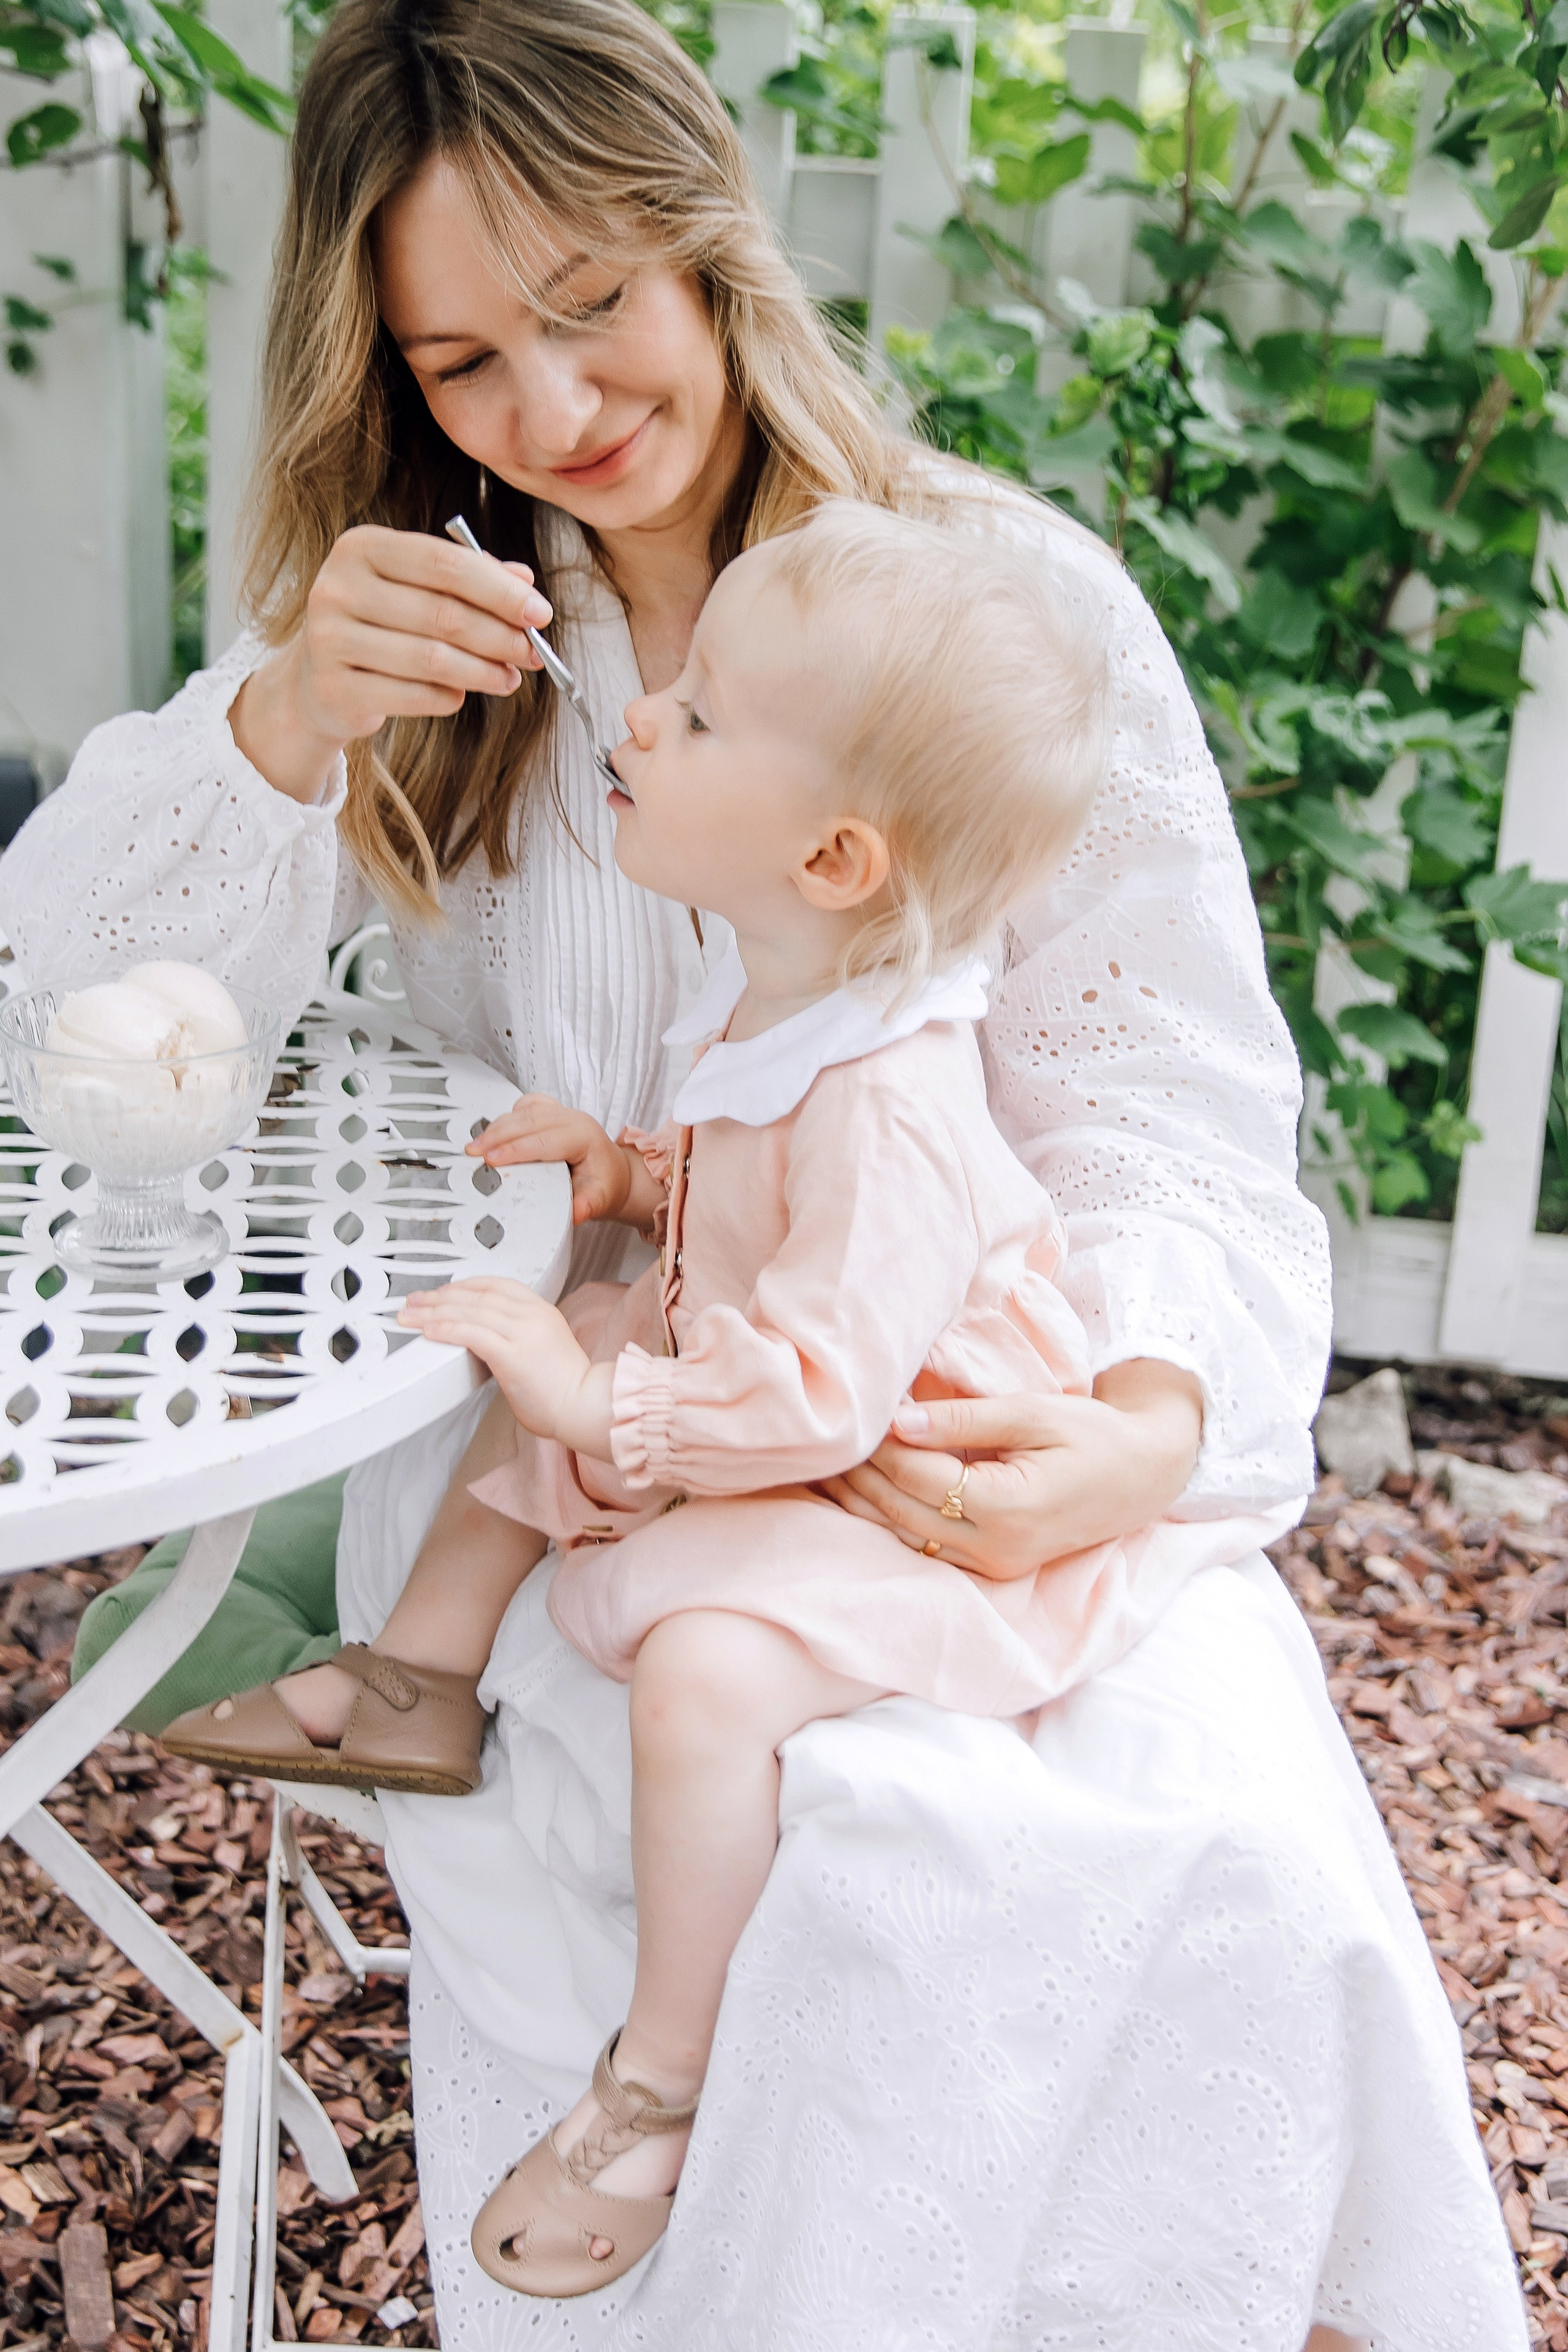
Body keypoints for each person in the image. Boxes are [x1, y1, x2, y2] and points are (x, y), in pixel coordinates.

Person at [0, 0, 1522, 2340]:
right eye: (463, 361)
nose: (558, 411)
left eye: (594, 301)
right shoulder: (434, 646)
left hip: (971, 1400)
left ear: (709, 243)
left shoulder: (993, 613)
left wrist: (1133, 1425)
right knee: (855, 1865)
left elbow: (1168, 1119)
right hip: (592, 1447)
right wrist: (282, 714)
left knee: (1212, 1837)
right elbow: (69, 1003)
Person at [161, 503, 1300, 2293]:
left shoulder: (897, 1100)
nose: (635, 717)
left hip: (902, 1487)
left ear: (833, 857)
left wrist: (601, 1410)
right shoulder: (798, 993)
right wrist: (624, 1178)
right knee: (588, 1307)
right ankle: (420, 1678)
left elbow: (830, 1398)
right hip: (780, 1389)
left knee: (700, 1668)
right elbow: (733, 1186)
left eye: (691, 721)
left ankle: (659, 2077)